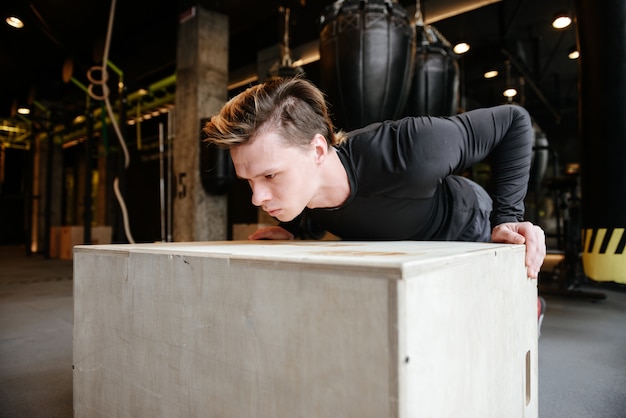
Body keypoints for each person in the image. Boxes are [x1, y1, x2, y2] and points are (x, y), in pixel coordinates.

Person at [203, 76, 546, 280]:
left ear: (318, 151)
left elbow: (514, 122)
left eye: (270, 175)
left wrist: (509, 218)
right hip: (407, 247)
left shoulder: (410, 148)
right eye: (249, 181)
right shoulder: (299, 190)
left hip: (469, 224)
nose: (257, 198)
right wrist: (292, 229)